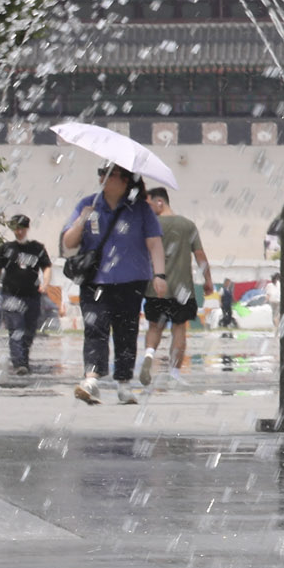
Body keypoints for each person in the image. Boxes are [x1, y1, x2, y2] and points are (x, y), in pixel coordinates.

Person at [62, 164, 167, 405]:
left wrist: (159, 275)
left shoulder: (140, 209)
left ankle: (123, 383)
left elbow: (154, 244)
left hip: (131, 281)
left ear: (125, 181)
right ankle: (91, 380)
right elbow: (68, 242)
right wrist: (82, 219)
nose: (102, 178)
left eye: (109, 174)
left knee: (126, 331)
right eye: (101, 172)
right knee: (95, 328)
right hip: (95, 282)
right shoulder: (89, 203)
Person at [139, 186, 211, 387]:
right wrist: (208, 280)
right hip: (182, 289)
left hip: (155, 286)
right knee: (179, 329)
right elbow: (200, 255)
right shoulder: (187, 225)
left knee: (154, 326)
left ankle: (149, 355)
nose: (148, 208)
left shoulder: (149, 226)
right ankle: (174, 372)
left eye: (150, 203)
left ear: (160, 202)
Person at [0, 214, 53, 377]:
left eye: (21, 228)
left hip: (32, 295)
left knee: (29, 329)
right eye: (16, 228)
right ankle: (19, 363)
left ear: (27, 228)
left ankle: (23, 358)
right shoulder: (6, 248)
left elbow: (47, 267)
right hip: (11, 294)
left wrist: (46, 283)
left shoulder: (37, 248)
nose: (19, 232)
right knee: (16, 327)